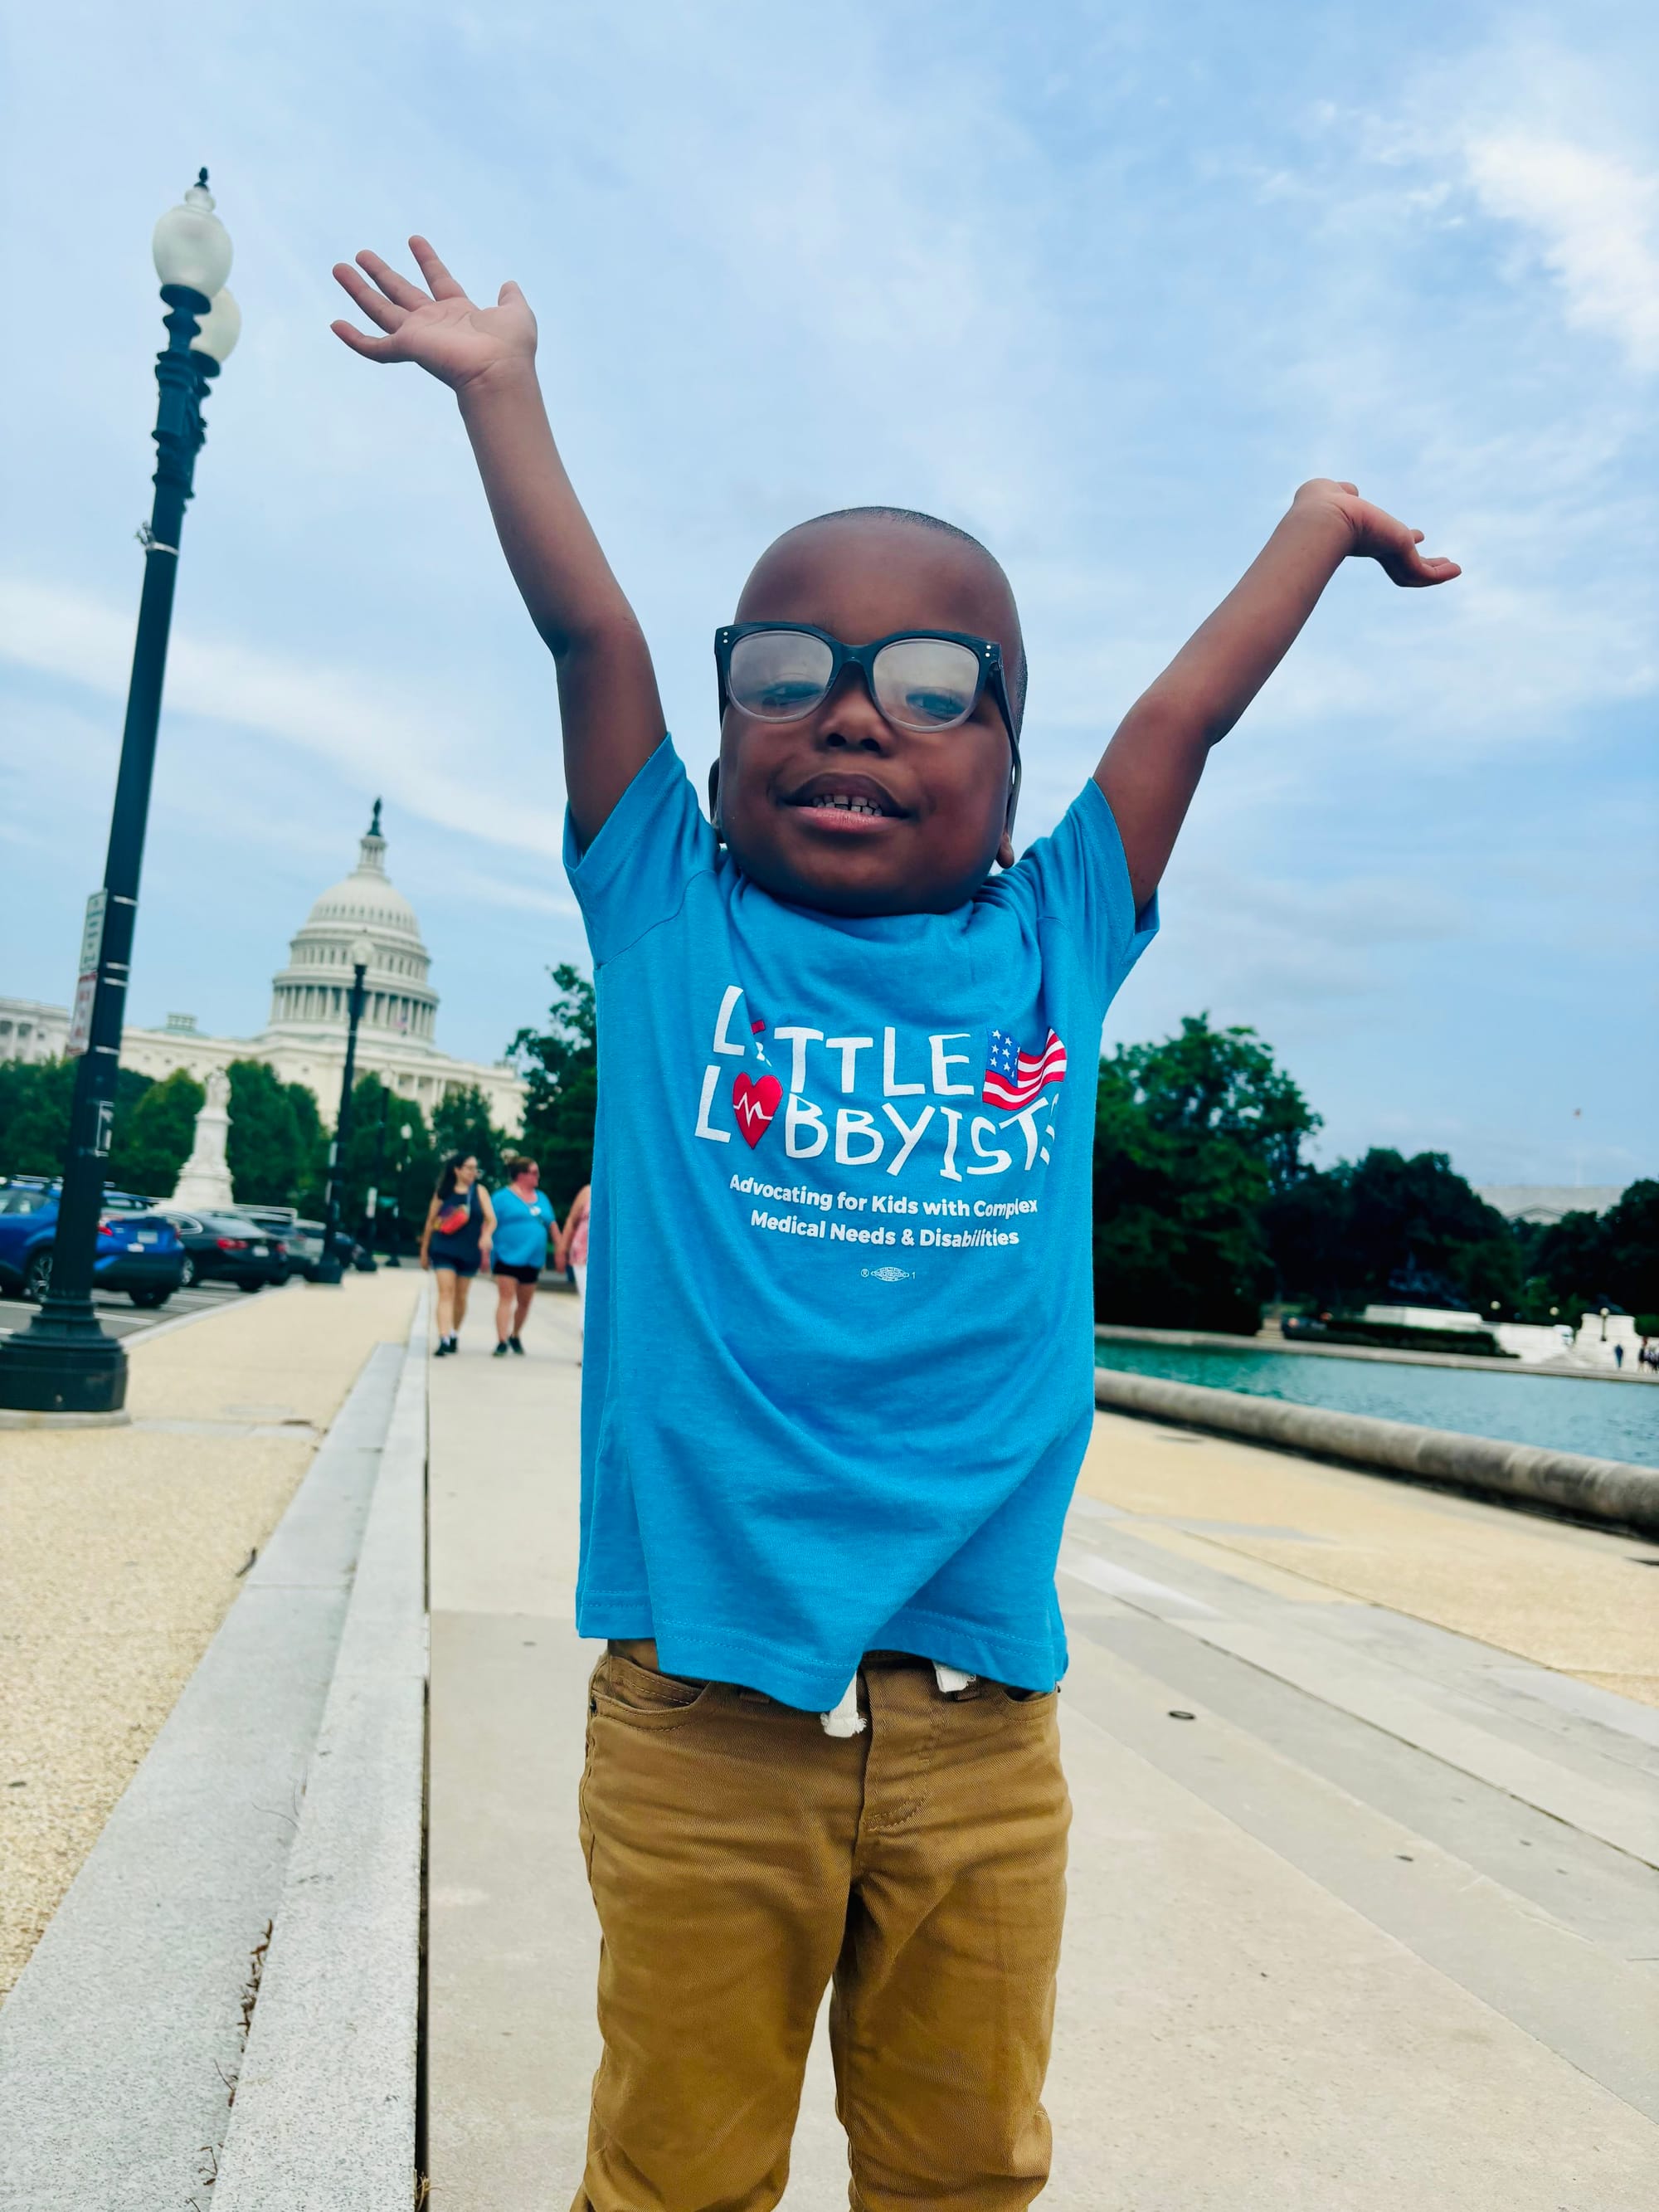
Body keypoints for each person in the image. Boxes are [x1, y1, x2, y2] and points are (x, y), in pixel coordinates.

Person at [333, 235, 1459, 2212]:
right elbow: (590, 638)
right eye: (789, 675)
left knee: (962, 2164)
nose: (854, 714)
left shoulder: (1051, 939)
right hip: (697, 1711)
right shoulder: (674, 918)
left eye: (934, 687)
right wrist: (499, 391)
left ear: (1013, 777)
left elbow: (1177, 724)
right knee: (673, 2166)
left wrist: (1312, 526)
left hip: (977, 1717)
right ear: (714, 740)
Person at [419, 1151, 494, 1357]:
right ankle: (443, 1337)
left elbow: (491, 1219)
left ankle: (453, 1332)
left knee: (461, 1296)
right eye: (469, 1168)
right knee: (446, 1292)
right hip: (444, 1247)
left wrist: (486, 1235)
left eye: (475, 1168)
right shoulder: (443, 1192)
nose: (473, 1172)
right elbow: (430, 1222)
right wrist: (425, 1250)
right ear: (457, 1169)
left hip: (469, 1250)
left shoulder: (480, 1192)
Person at [490, 1154, 557, 1357]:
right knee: (506, 1297)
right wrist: (485, 1250)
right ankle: (502, 1340)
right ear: (521, 1175)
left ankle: (515, 1334)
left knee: (525, 1301)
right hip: (506, 1255)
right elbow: (489, 1224)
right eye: (534, 1172)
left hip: (533, 1258)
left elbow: (552, 1224)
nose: (538, 1176)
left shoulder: (542, 1198)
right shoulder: (501, 1197)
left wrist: (561, 1248)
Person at [555, 1180, 591, 1362]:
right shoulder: (587, 1191)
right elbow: (571, 1220)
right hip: (584, 1254)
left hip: (609, 1257)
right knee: (588, 1301)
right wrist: (562, 1249)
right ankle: (588, 1351)